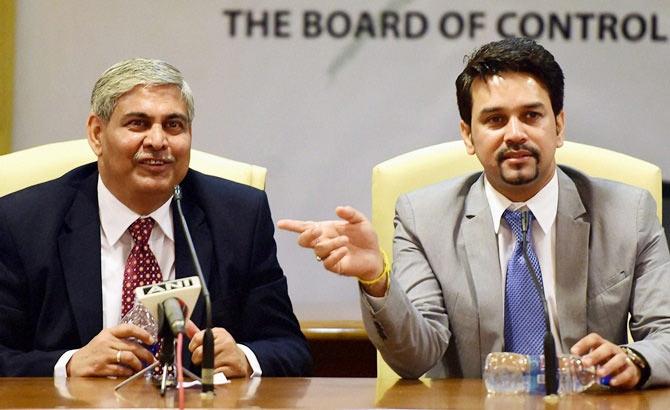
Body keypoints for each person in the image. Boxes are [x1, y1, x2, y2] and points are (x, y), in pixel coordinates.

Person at [279, 38, 670, 389]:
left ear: (559, 126)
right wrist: (375, 278)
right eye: (495, 120)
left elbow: (666, 333)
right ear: (468, 135)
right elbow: (416, 358)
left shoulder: (627, 213)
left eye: (532, 116)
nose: (514, 133)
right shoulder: (424, 218)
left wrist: (636, 358)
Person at [0, 58, 311, 378]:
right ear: (96, 134)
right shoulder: (22, 223)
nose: (158, 141)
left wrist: (244, 357)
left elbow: (289, 348)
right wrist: (69, 364)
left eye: (174, 125)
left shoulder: (239, 217)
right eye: (138, 123)